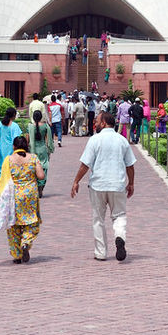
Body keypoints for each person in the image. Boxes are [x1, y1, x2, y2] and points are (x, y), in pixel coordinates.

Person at [70, 112, 136, 261]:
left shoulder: (95, 140)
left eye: (98, 121)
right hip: (117, 184)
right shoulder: (122, 140)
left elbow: (85, 164)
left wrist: (76, 181)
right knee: (119, 215)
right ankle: (119, 236)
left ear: (105, 122)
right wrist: (131, 183)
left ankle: (100, 252)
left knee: (98, 219)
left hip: (98, 185)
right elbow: (130, 165)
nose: (95, 123)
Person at [0, 136, 44, 263]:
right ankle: (26, 242)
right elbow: (41, 176)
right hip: (30, 195)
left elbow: (3, 179)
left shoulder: (9, 160)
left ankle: (17, 255)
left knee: (14, 225)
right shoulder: (33, 158)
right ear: (26, 145)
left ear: (14, 147)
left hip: (14, 196)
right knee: (31, 222)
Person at [28, 109, 54, 197]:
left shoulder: (31, 127)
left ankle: (36, 186)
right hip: (43, 149)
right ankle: (41, 186)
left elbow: (30, 140)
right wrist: (50, 149)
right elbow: (49, 140)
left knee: (34, 169)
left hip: (33, 150)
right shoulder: (46, 126)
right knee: (44, 168)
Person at [0, 107, 23, 177]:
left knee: (0, 171)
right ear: (14, 115)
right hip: (11, 151)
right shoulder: (15, 126)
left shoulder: (0, 124)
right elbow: (17, 140)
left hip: (1, 151)